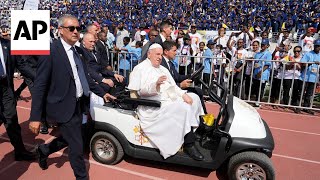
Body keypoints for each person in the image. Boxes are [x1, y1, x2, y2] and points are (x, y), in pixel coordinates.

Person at [28, 15, 115, 180]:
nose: (76, 32)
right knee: (77, 146)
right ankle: (82, 177)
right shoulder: (50, 52)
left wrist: (102, 93)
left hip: (78, 104)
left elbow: (86, 78)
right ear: (60, 30)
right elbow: (39, 86)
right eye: (71, 28)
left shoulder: (78, 51)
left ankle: (44, 150)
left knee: (73, 137)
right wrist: (35, 117)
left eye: (78, 28)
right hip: (61, 105)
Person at [128, 43, 205, 160]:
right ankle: (189, 144)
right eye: (157, 54)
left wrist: (183, 95)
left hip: (168, 100)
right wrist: (155, 85)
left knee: (194, 97)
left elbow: (173, 86)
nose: (159, 57)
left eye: (160, 54)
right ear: (149, 54)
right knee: (183, 108)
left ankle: (194, 132)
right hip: (152, 106)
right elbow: (139, 92)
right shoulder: (140, 68)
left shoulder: (162, 68)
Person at [0, 37, 36, 161]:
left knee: (12, 121)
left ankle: (20, 152)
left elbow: (21, 64)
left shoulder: (7, 44)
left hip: (5, 88)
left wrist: (38, 77)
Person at [161, 41, 207, 114]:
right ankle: (201, 117)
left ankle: (202, 116)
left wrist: (191, 75)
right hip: (170, 92)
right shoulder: (161, 64)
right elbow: (165, 84)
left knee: (198, 91)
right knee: (197, 93)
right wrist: (180, 85)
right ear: (166, 51)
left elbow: (178, 77)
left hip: (175, 88)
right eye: (174, 51)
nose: (176, 53)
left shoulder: (169, 63)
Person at [296, 39, 320, 115]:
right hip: (305, 77)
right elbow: (303, 64)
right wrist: (311, 63)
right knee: (301, 92)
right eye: (316, 46)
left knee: (309, 94)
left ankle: (306, 107)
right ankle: (298, 107)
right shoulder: (308, 54)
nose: (317, 47)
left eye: (319, 46)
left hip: (314, 77)